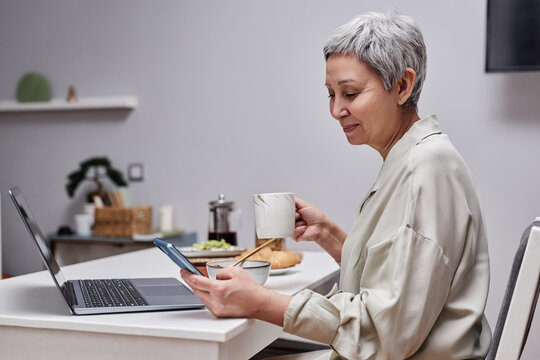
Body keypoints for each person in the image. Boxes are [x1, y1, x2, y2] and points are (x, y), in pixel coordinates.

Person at [181, 9, 491, 360]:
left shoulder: (425, 170)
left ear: (402, 86)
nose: (336, 110)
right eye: (331, 94)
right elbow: (396, 281)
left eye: (350, 93)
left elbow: (383, 333)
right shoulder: (415, 159)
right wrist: (328, 233)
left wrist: (259, 302)